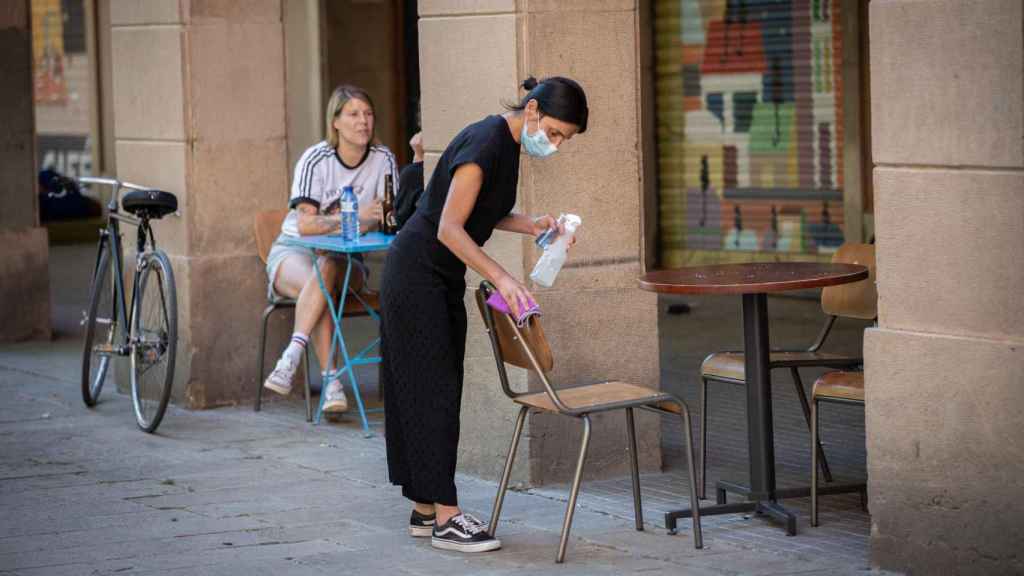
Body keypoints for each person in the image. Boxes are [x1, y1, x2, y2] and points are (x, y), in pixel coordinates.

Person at [379, 76, 589, 553]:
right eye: (554, 132)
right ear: (532, 110)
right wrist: (505, 278)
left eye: (564, 140)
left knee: (432, 387)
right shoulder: (486, 141)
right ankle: (448, 520)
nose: (554, 145)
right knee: (432, 390)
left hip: (436, 278)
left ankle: (426, 508)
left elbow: (478, 212)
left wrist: (528, 223)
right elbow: (450, 228)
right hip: (417, 274)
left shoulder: (505, 145)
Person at [263, 84, 398, 413]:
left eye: (368, 114)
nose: (363, 121)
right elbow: (306, 226)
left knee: (327, 271)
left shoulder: (384, 160)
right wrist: (358, 216)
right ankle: (331, 385)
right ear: (335, 122)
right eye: (353, 114)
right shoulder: (315, 159)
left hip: (350, 261)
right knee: (321, 277)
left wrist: (369, 220)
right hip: (294, 251)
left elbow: (391, 217)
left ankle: (294, 355)